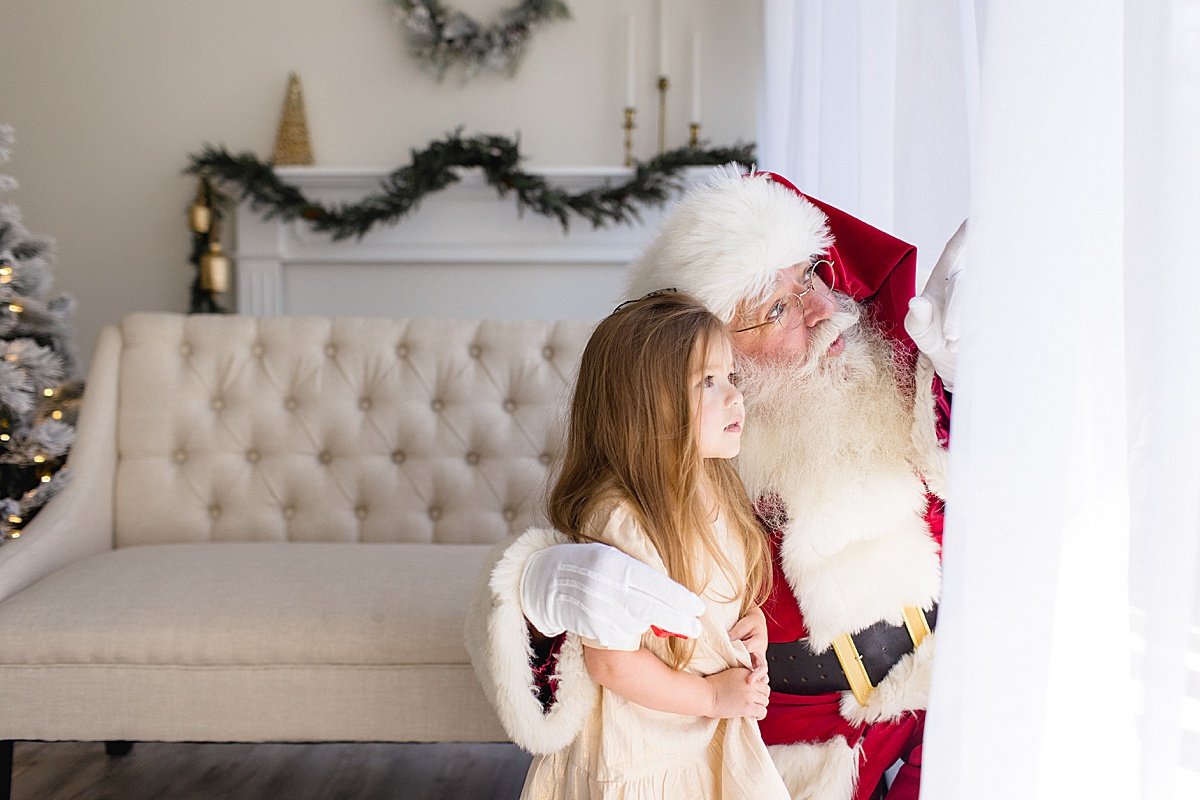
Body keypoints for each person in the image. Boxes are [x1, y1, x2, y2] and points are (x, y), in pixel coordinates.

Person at [465, 166, 962, 800]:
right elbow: (600, 618)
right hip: (783, 740)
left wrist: (966, 386)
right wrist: (541, 589)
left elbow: (993, 507)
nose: (823, 310)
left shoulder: (890, 384)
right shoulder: (676, 473)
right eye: (777, 307)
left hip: (936, 694)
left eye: (809, 276)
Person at [518, 291, 789, 799]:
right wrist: (710, 695)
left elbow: (716, 593)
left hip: (702, 733)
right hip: (642, 749)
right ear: (648, 406)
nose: (735, 396)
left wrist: (746, 623)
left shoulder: (719, 486)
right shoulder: (622, 519)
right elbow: (613, 663)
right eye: (708, 382)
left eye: (732, 377)